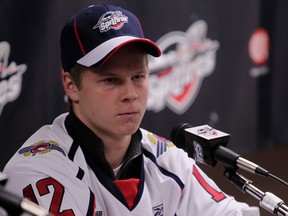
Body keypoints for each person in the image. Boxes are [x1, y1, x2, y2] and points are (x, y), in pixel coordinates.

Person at [3, 3, 255, 216]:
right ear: (71, 85)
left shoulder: (168, 159)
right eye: (111, 80)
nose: (131, 95)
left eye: (138, 76)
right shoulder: (38, 171)